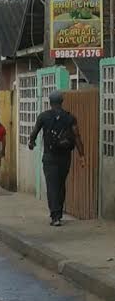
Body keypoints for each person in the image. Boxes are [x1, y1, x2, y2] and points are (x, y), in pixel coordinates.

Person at [29, 90, 85, 226]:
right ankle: (58, 213)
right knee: (60, 184)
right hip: (65, 158)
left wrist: (32, 142)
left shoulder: (43, 116)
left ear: (50, 102)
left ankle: (55, 217)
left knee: (52, 185)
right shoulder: (70, 118)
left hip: (50, 157)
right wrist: (82, 155)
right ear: (61, 101)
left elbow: (35, 132)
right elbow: (77, 137)